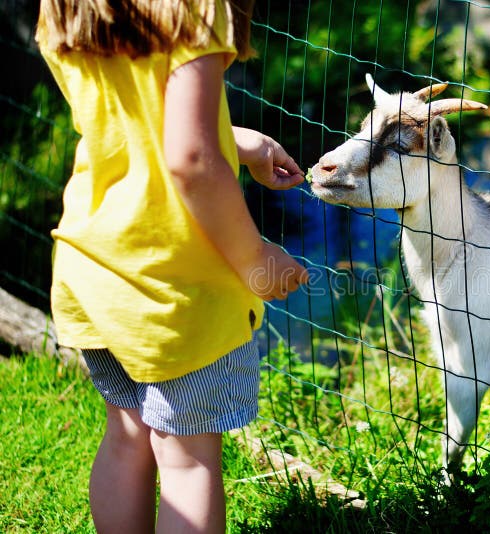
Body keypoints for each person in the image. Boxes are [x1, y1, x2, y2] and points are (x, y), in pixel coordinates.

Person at [35, 0, 308, 531]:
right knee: (185, 459)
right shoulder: (197, 4)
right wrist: (257, 259)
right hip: (175, 289)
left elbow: (128, 119)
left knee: (127, 435)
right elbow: (189, 159)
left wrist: (237, 142)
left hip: (95, 267)